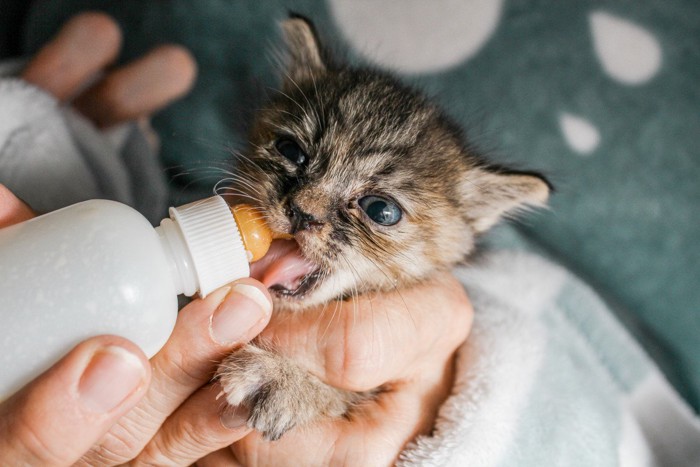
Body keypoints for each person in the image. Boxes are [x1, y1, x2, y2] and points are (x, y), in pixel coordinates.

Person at [0, 13, 473, 466]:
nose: (305, 204)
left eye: (379, 210)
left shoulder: (392, 333)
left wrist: (456, 429)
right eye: (292, 150)